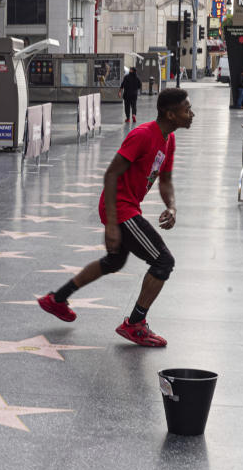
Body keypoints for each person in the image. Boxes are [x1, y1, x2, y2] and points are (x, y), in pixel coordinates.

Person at [37, 88, 194, 347]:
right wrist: (112, 224)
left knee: (113, 261)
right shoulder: (143, 135)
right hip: (120, 208)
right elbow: (111, 174)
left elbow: (165, 179)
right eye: (187, 110)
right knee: (163, 261)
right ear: (170, 114)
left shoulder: (169, 139)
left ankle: (57, 299)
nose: (192, 114)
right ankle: (135, 324)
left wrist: (172, 207)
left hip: (128, 207)